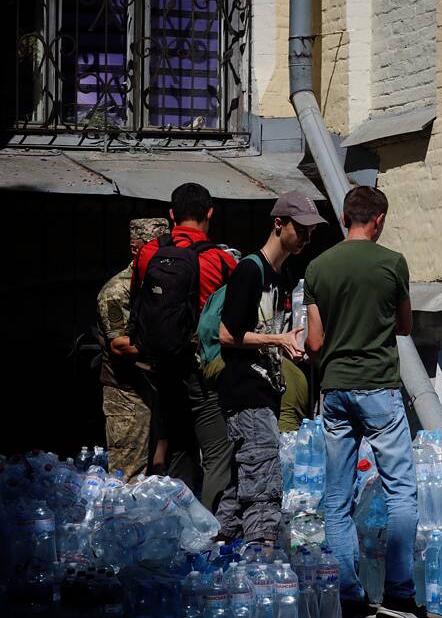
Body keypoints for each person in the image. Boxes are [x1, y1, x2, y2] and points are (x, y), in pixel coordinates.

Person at [304, 186, 418, 618]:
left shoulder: (318, 266)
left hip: (334, 390)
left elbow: (315, 340)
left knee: (336, 498)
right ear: (380, 220)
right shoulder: (392, 263)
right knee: (401, 493)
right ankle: (399, 594)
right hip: (379, 388)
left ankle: (350, 597)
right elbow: (405, 326)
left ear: (345, 217)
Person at [214, 191, 322, 544]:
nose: (306, 237)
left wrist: (288, 346)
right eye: (301, 229)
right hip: (245, 391)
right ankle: (260, 556)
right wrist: (278, 341)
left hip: (265, 390)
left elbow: (269, 331)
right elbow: (228, 334)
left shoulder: (283, 276)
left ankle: (221, 545)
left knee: (240, 481)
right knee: (263, 481)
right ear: (279, 224)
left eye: (311, 231)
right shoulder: (249, 270)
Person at [129, 182, 237, 512]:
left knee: (178, 448)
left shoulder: (148, 254)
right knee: (217, 451)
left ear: (171, 214)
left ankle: (178, 528)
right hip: (203, 370)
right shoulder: (221, 261)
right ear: (210, 213)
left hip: (163, 367)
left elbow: (138, 302)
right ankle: (211, 530)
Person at [97, 217, 169, 480]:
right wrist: (169, 342)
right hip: (126, 393)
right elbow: (119, 345)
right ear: (136, 248)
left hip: (157, 387)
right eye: (154, 248)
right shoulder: (117, 291)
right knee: (127, 476)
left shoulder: (161, 286)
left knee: (158, 476)